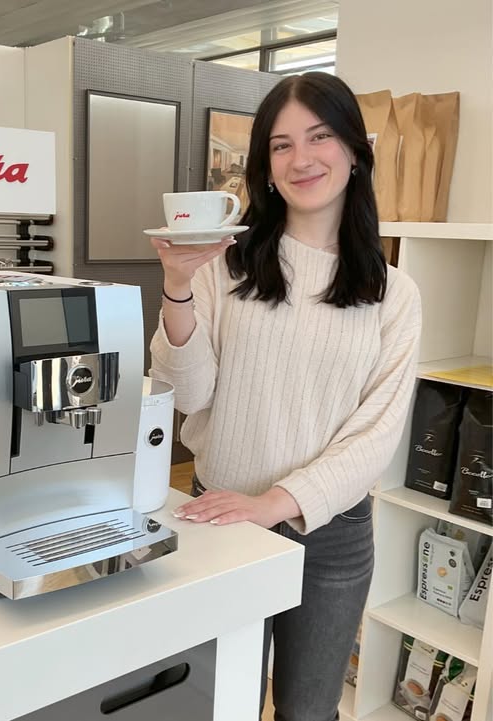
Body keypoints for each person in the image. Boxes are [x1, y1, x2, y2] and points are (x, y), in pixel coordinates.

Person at [149, 72, 422, 721]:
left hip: (331, 535)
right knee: (217, 704)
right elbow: (187, 393)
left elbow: (376, 436)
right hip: (219, 515)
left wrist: (273, 504)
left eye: (320, 137)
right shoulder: (224, 267)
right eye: (281, 144)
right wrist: (176, 287)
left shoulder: (394, 294)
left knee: (307, 712)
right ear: (265, 167)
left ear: (354, 151)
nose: (302, 158)